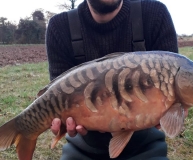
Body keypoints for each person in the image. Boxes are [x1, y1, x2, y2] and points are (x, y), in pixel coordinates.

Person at [46, 0, 180, 159]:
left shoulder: (154, 14)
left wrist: (180, 103)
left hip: (144, 144)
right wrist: (58, 121)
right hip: (83, 145)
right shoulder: (60, 27)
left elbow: (174, 83)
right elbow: (57, 100)